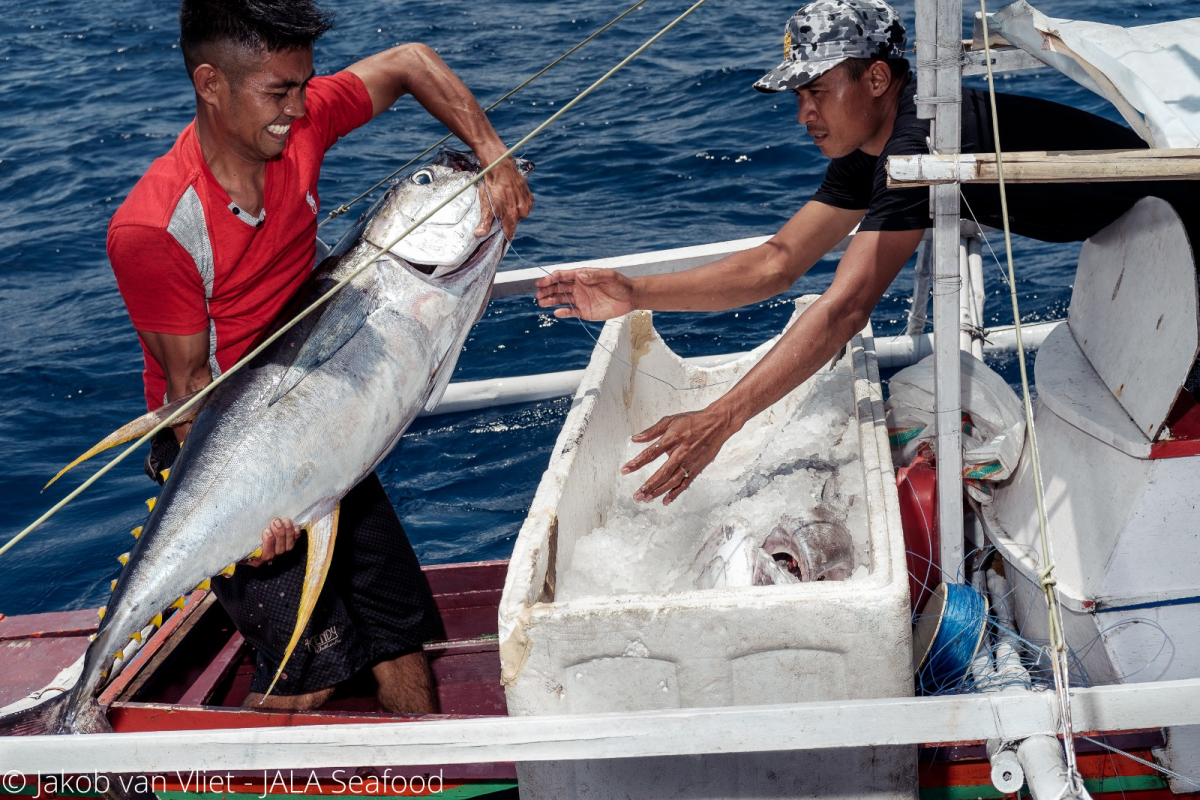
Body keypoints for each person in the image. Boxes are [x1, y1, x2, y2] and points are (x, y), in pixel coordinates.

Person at [536, 0, 1192, 506]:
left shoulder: (919, 143)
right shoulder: (870, 151)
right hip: (1150, 245)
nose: (804, 114)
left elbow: (847, 306)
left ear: (877, 77)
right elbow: (777, 263)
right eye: (798, 96)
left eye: (817, 90)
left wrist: (723, 417)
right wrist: (638, 293)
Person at [107, 0, 532, 713]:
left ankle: (430, 771)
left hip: (315, 414)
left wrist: (490, 151)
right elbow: (189, 398)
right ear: (210, 83)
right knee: (314, 670)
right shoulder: (155, 227)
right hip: (221, 454)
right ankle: (210, 766)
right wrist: (258, 520)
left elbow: (407, 63)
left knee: (401, 637)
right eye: (280, 92)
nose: (299, 109)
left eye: (303, 86)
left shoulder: (298, 126)